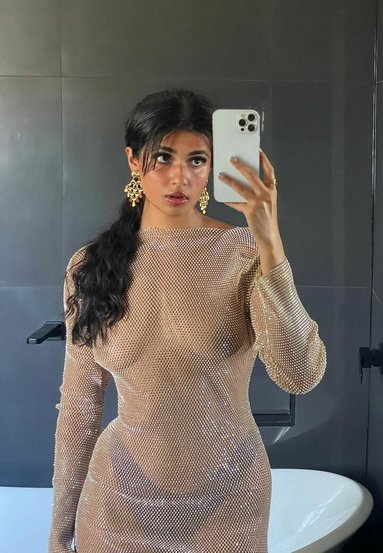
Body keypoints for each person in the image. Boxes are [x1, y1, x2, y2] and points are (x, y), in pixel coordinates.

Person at [47, 88, 327, 553]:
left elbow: (300, 374)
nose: (180, 177)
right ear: (133, 160)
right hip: (117, 501)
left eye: (197, 160)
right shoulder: (90, 266)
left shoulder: (243, 254)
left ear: (213, 166)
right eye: (163, 157)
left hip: (229, 503)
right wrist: (59, 535)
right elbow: (80, 405)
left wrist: (270, 242)